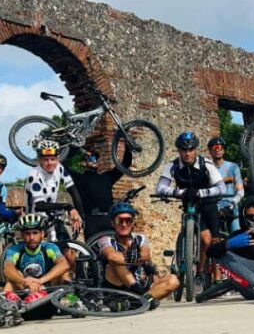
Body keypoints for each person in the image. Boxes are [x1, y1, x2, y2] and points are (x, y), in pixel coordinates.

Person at [155, 132, 227, 271]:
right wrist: (180, 192)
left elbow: (221, 187)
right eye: (183, 150)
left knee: (214, 240)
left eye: (190, 150)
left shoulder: (205, 163)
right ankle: (196, 270)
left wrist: (202, 192)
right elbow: (160, 188)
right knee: (205, 240)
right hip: (190, 204)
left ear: (196, 150)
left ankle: (206, 272)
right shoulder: (173, 166)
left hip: (207, 204)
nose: (187, 154)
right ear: (179, 151)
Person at [95, 202, 180, 309]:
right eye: (119, 220)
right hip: (117, 288)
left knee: (173, 280)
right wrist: (136, 259)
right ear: (113, 223)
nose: (124, 224)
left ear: (133, 223)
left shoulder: (140, 238)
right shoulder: (105, 240)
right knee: (116, 262)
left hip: (140, 285)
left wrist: (140, 260)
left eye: (128, 220)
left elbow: (146, 255)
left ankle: (139, 302)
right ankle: (142, 298)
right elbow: (112, 256)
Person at [26, 140, 84, 269]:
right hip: (36, 219)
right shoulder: (34, 175)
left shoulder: (60, 168)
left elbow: (73, 191)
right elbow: (40, 205)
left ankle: (78, 284)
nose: (50, 163)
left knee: (69, 254)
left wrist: (81, 215)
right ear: (39, 160)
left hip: (52, 216)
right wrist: (68, 207)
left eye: (53, 159)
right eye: (45, 159)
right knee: (52, 259)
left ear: (57, 158)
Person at [1, 213, 70, 320]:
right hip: (26, 294)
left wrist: (40, 281)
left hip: (49, 293)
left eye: (35, 233)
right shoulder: (15, 250)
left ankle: (72, 301)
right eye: (27, 234)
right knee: (12, 278)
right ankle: (7, 308)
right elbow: (7, 268)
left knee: (64, 273)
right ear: (22, 235)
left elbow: (64, 264)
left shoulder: (50, 247)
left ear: (42, 234)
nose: (31, 237)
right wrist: (25, 281)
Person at [67, 146, 131, 238]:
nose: (94, 160)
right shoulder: (78, 178)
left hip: (109, 219)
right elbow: (62, 167)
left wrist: (128, 146)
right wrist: (71, 147)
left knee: (115, 249)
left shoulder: (107, 177)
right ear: (83, 163)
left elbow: (125, 164)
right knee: (93, 251)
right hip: (91, 220)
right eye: (90, 158)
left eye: (96, 158)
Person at [207, 137, 244, 233]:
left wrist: (232, 203)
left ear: (223, 150)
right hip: (213, 206)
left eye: (220, 148)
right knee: (211, 237)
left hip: (230, 205)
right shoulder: (207, 168)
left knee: (236, 233)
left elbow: (240, 191)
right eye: (215, 148)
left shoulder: (233, 167)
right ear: (210, 151)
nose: (218, 150)